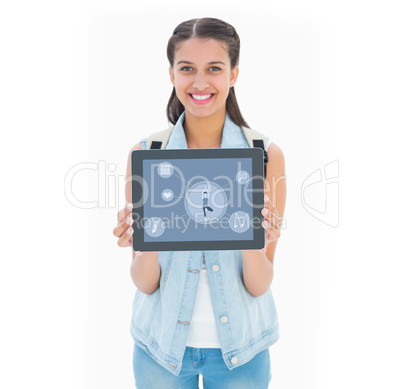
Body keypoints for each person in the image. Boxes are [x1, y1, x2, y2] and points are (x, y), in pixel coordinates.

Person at [113, 17, 286, 389]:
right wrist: (142, 243)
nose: (200, 82)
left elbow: (260, 284)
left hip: (242, 353)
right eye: (187, 68)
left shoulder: (265, 156)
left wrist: (257, 240)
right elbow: (145, 283)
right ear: (172, 74)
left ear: (234, 75)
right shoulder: (147, 155)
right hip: (161, 353)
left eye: (215, 69)